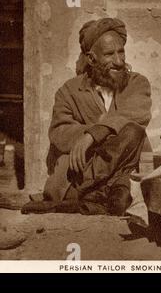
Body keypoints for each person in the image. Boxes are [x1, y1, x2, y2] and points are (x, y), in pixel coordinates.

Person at [23, 17, 152, 216]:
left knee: (133, 132)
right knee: (127, 135)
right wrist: (103, 132)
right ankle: (95, 195)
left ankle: (90, 200)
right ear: (91, 59)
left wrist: (92, 136)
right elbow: (59, 132)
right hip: (82, 174)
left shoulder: (137, 83)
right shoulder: (68, 91)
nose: (119, 61)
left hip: (124, 170)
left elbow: (137, 115)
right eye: (109, 54)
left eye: (121, 51)